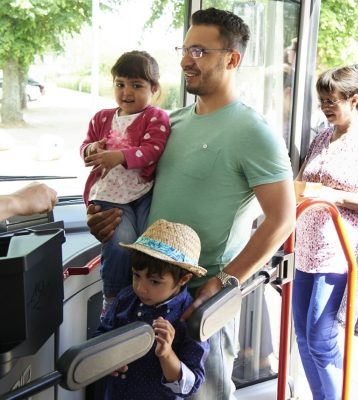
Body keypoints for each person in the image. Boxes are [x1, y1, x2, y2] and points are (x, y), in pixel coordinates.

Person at [86, 7, 295, 399]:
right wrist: (104, 220)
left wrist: (224, 281)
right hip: (146, 294)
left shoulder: (254, 132)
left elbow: (282, 220)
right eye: (184, 49)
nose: (184, 60)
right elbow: (135, 192)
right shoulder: (172, 123)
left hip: (200, 302)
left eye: (198, 51)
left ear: (232, 59)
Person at [292, 66, 358, 399]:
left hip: (339, 249)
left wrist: (337, 196)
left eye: (332, 101)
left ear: (354, 99)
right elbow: (304, 182)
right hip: (306, 246)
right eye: (322, 101)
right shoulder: (321, 137)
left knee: (320, 337)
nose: (326, 108)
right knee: (302, 335)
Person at [80, 50, 170, 318]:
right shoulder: (101, 118)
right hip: (109, 193)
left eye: (137, 85)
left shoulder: (155, 117)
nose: (126, 92)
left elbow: (153, 149)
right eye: (120, 84)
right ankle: (113, 299)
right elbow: (85, 147)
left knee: (148, 242)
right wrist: (92, 149)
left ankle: (143, 301)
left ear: (154, 89)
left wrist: (119, 156)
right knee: (121, 240)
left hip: (141, 192)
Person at [96, 219, 209, 399]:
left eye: (154, 281)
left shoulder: (191, 318)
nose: (140, 288)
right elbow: (101, 337)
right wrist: (108, 360)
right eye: (136, 275)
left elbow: (190, 385)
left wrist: (166, 354)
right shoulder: (126, 298)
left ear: (183, 279)